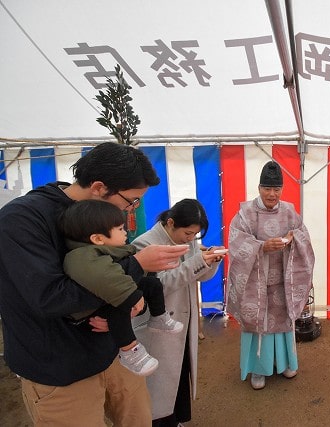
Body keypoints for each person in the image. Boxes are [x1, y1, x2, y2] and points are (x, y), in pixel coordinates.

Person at [0, 142, 189, 426]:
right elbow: (51, 298)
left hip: (112, 352)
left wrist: (127, 306)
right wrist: (137, 265)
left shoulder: (94, 213)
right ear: (99, 187)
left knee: (139, 419)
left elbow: (108, 276)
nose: (130, 211)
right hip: (59, 369)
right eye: (131, 201)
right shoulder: (23, 220)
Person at [59, 199, 184, 377]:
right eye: (119, 229)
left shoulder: (112, 249)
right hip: (98, 308)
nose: (125, 232)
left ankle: (158, 318)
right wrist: (134, 297)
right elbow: (106, 279)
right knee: (121, 307)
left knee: (152, 284)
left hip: (112, 297)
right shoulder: (82, 256)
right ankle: (129, 351)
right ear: (97, 238)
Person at [132, 198, 223, 426]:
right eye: (188, 233)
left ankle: (177, 420)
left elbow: (197, 275)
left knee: (180, 374)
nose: (191, 239)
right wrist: (196, 262)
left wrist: (211, 262)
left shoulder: (187, 241)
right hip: (157, 327)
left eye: (195, 235)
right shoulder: (145, 245)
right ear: (170, 222)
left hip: (182, 320)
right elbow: (159, 287)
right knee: (159, 383)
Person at [226, 160, 315, 390]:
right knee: (259, 322)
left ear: (282, 190)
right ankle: (259, 369)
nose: (272, 194)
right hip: (256, 280)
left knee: (283, 321)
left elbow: (303, 234)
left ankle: (285, 362)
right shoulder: (245, 213)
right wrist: (261, 247)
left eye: (277, 189)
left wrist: (293, 239)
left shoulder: (289, 211)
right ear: (258, 188)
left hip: (283, 278)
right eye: (267, 188)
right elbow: (236, 242)